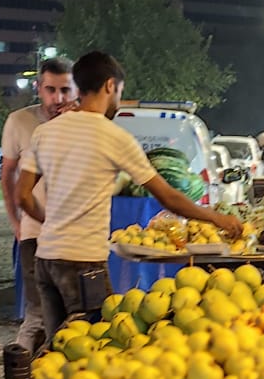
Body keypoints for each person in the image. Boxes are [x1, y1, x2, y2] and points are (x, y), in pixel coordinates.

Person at [17, 49, 241, 343]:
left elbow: (22, 195)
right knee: (95, 344)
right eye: (119, 92)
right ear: (110, 86)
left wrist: (51, 223)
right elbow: (167, 197)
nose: (118, 101)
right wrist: (217, 218)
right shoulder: (114, 136)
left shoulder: (45, 132)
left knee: (57, 348)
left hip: (45, 259)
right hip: (83, 263)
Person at [2, 57, 77, 359]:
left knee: (75, 314)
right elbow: (7, 175)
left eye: (65, 90)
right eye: (50, 90)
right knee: (37, 315)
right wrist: (14, 223)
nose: (57, 99)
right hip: (34, 232)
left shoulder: (85, 123)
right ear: (38, 88)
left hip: (74, 235)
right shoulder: (19, 121)